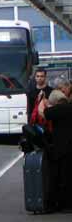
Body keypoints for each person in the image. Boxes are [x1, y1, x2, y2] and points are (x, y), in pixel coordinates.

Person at [38, 78, 72, 209]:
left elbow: (42, 113)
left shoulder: (60, 109)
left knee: (64, 176)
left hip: (63, 147)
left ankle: (65, 203)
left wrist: (42, 101)